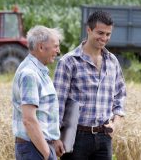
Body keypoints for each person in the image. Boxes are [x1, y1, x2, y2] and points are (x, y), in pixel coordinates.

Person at [54, 10, 127, 160]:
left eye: (108, 34)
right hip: (75, 137)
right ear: (89, 30)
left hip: (104, 136)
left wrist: (115, 124)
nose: (104, 38)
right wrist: (55, 138)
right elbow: (57, 104)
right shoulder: (68, 62)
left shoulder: (112, 61)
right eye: (100, 33)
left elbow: (120, 95)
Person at [12, 26, 65, 160]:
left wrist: (54, 140)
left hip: (38, 147)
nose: (58, 51)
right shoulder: (30, 74)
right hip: (34, 149)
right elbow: (29, 119)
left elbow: (44, 113)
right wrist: (47, 153)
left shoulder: (40, 71)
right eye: (55, 46)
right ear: (41, 47)